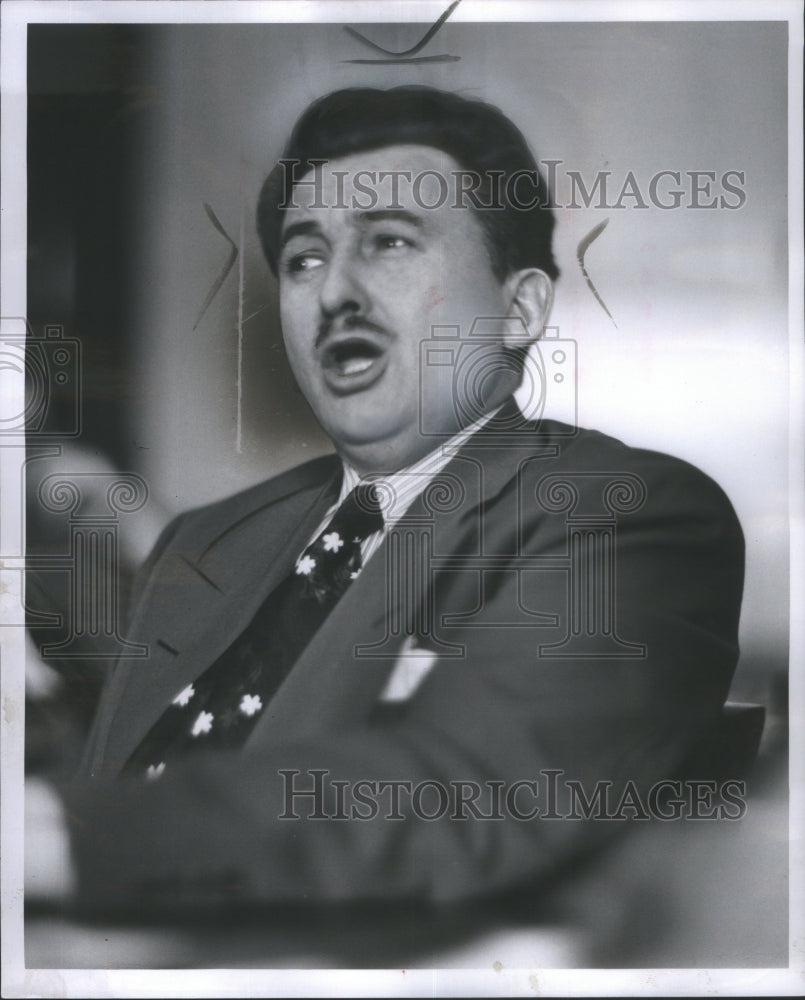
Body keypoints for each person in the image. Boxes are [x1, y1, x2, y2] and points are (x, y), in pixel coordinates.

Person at [39, 87, 744, 930]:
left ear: (519, 308)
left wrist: (65, 837)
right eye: (303, 258)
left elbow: (470, 791)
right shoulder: (212, 538)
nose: (333, 289)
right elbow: (124, 765)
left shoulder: (624, 514)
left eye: (390, 243)